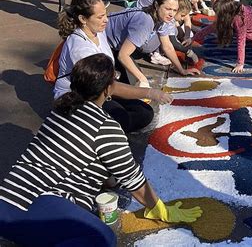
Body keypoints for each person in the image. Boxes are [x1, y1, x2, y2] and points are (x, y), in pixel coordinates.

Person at [0, 54, 202, 246]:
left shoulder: (61, 108)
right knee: (103, 238)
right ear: (108, 89)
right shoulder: (105, 127)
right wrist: (160, 209)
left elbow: (80, 157)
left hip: (6, 204)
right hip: (37, 210)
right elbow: (133, 180)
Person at [55, 0, 172, 133]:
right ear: (83, 19)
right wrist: (150, 93)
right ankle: (84, 128)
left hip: (101, 90)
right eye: (100, 17)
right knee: (121, 118)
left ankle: (106, 125)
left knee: (144, 112)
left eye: (105, 14)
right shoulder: (80, 48)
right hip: (80, 98)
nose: (106, 20)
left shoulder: (98, 31)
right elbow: (108, 87)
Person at [106, 0, 200, 84]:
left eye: (174, 10)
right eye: (168, 9)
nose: (171, 14)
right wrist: (143, 80)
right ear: (156, 5)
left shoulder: (163, 19)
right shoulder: (145, 21)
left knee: (133, 79)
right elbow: (123, 55)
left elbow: (167, 46)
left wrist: (182, 70)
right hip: (100, 42)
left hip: (113, 47)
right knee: (127, 82)